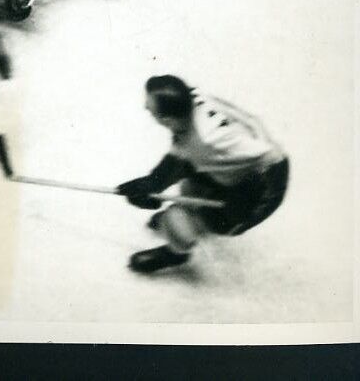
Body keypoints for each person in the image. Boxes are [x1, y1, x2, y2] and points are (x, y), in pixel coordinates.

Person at [115, 75, 290, 274]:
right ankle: (185, 222)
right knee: (190, 189)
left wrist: (249, 204)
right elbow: (250, 123)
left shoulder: (204, 141)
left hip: (255, 191)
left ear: (168, 119)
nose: (146, 108)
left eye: (151, 107)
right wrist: (151, 185)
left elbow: (272, 158)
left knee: (177, 217)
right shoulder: (196, 101)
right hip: (235, 173)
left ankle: (176, 252)